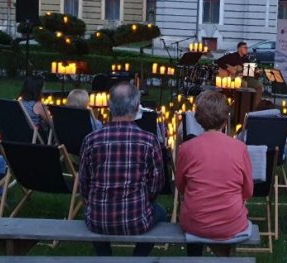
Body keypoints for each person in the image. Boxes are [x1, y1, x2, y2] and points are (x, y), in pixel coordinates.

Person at [79, 82, 166, 257]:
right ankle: (138, 258)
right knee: (161, 213)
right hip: (136, 220)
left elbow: (84, 184)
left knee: (89, 211)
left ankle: (105, 257)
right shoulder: (149, 141)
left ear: (109, 106)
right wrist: (145, 199)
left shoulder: (91, 140)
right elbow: (156, 184)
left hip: (98, 219)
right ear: (137, 107)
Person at [175, 90, 253, 257]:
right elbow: (248, 191)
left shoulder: (187, 149)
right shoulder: (239, 148)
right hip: (231, 223)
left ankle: (194, 259)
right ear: (225, 119)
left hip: (195, 222)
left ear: (198, 119)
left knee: (196, 222)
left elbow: (180, 186)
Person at [216, 41, 263, 108]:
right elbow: (218, 61)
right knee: (244, 84)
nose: (247, 49)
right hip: (230, 78)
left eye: (247, 48)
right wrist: (229, 68)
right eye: (245, 48)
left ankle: (254, 106)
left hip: (243, 78)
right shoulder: (231, 56)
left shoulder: (246, 59)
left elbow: (249, 72)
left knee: (259, 86)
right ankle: (241, 105)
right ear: (239, 48)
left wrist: (256, 72)